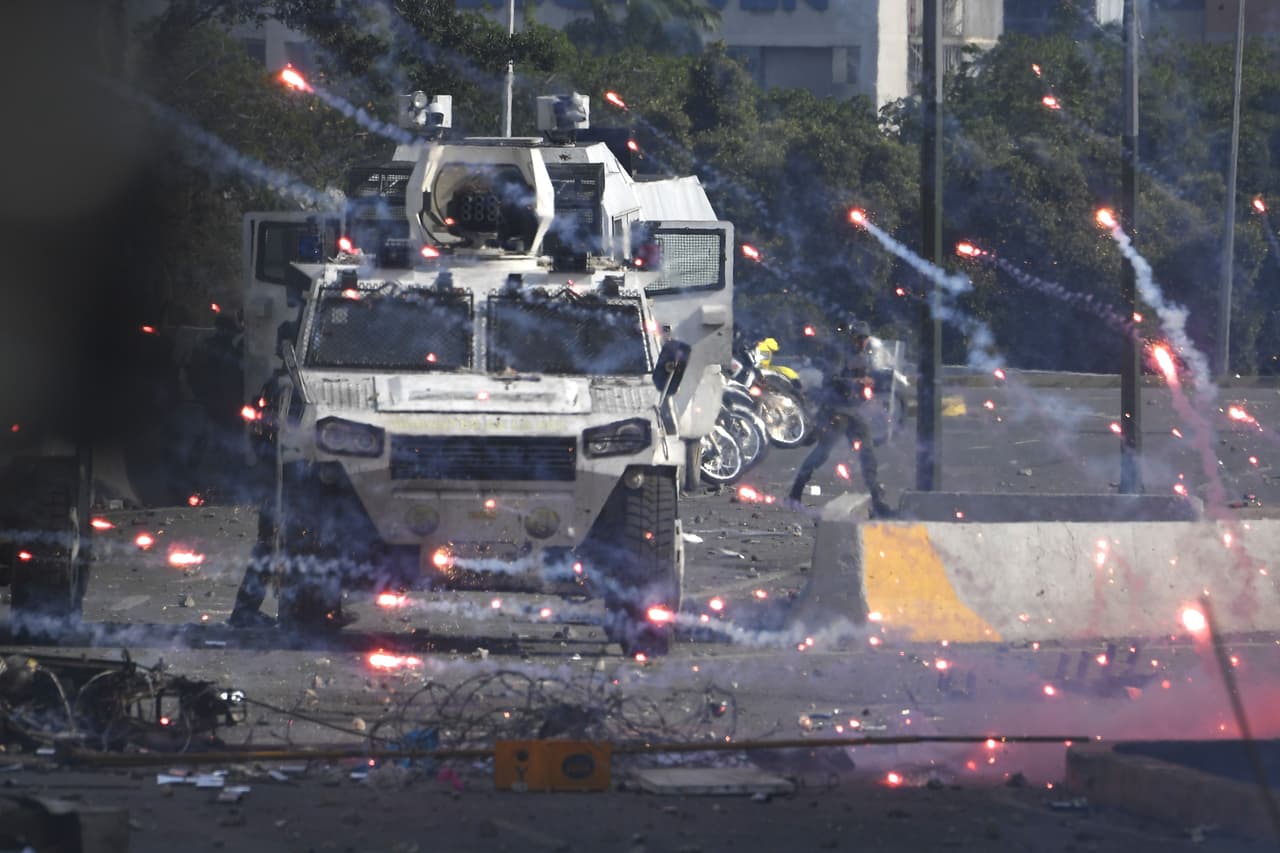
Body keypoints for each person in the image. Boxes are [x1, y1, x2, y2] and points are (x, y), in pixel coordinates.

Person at [788, 318, 893, 517]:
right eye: (859, 338)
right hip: (835, 410)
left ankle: (876, 498)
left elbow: (870, 379)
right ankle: (795, 493)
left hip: (853, 411)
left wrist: (871, 382)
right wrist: (857, 381)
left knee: (867, 453)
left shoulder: (864, 355)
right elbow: (832, 379)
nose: (862, 342)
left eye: (865, 338)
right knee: (821, 453)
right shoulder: (839, 354)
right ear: (852, 337)